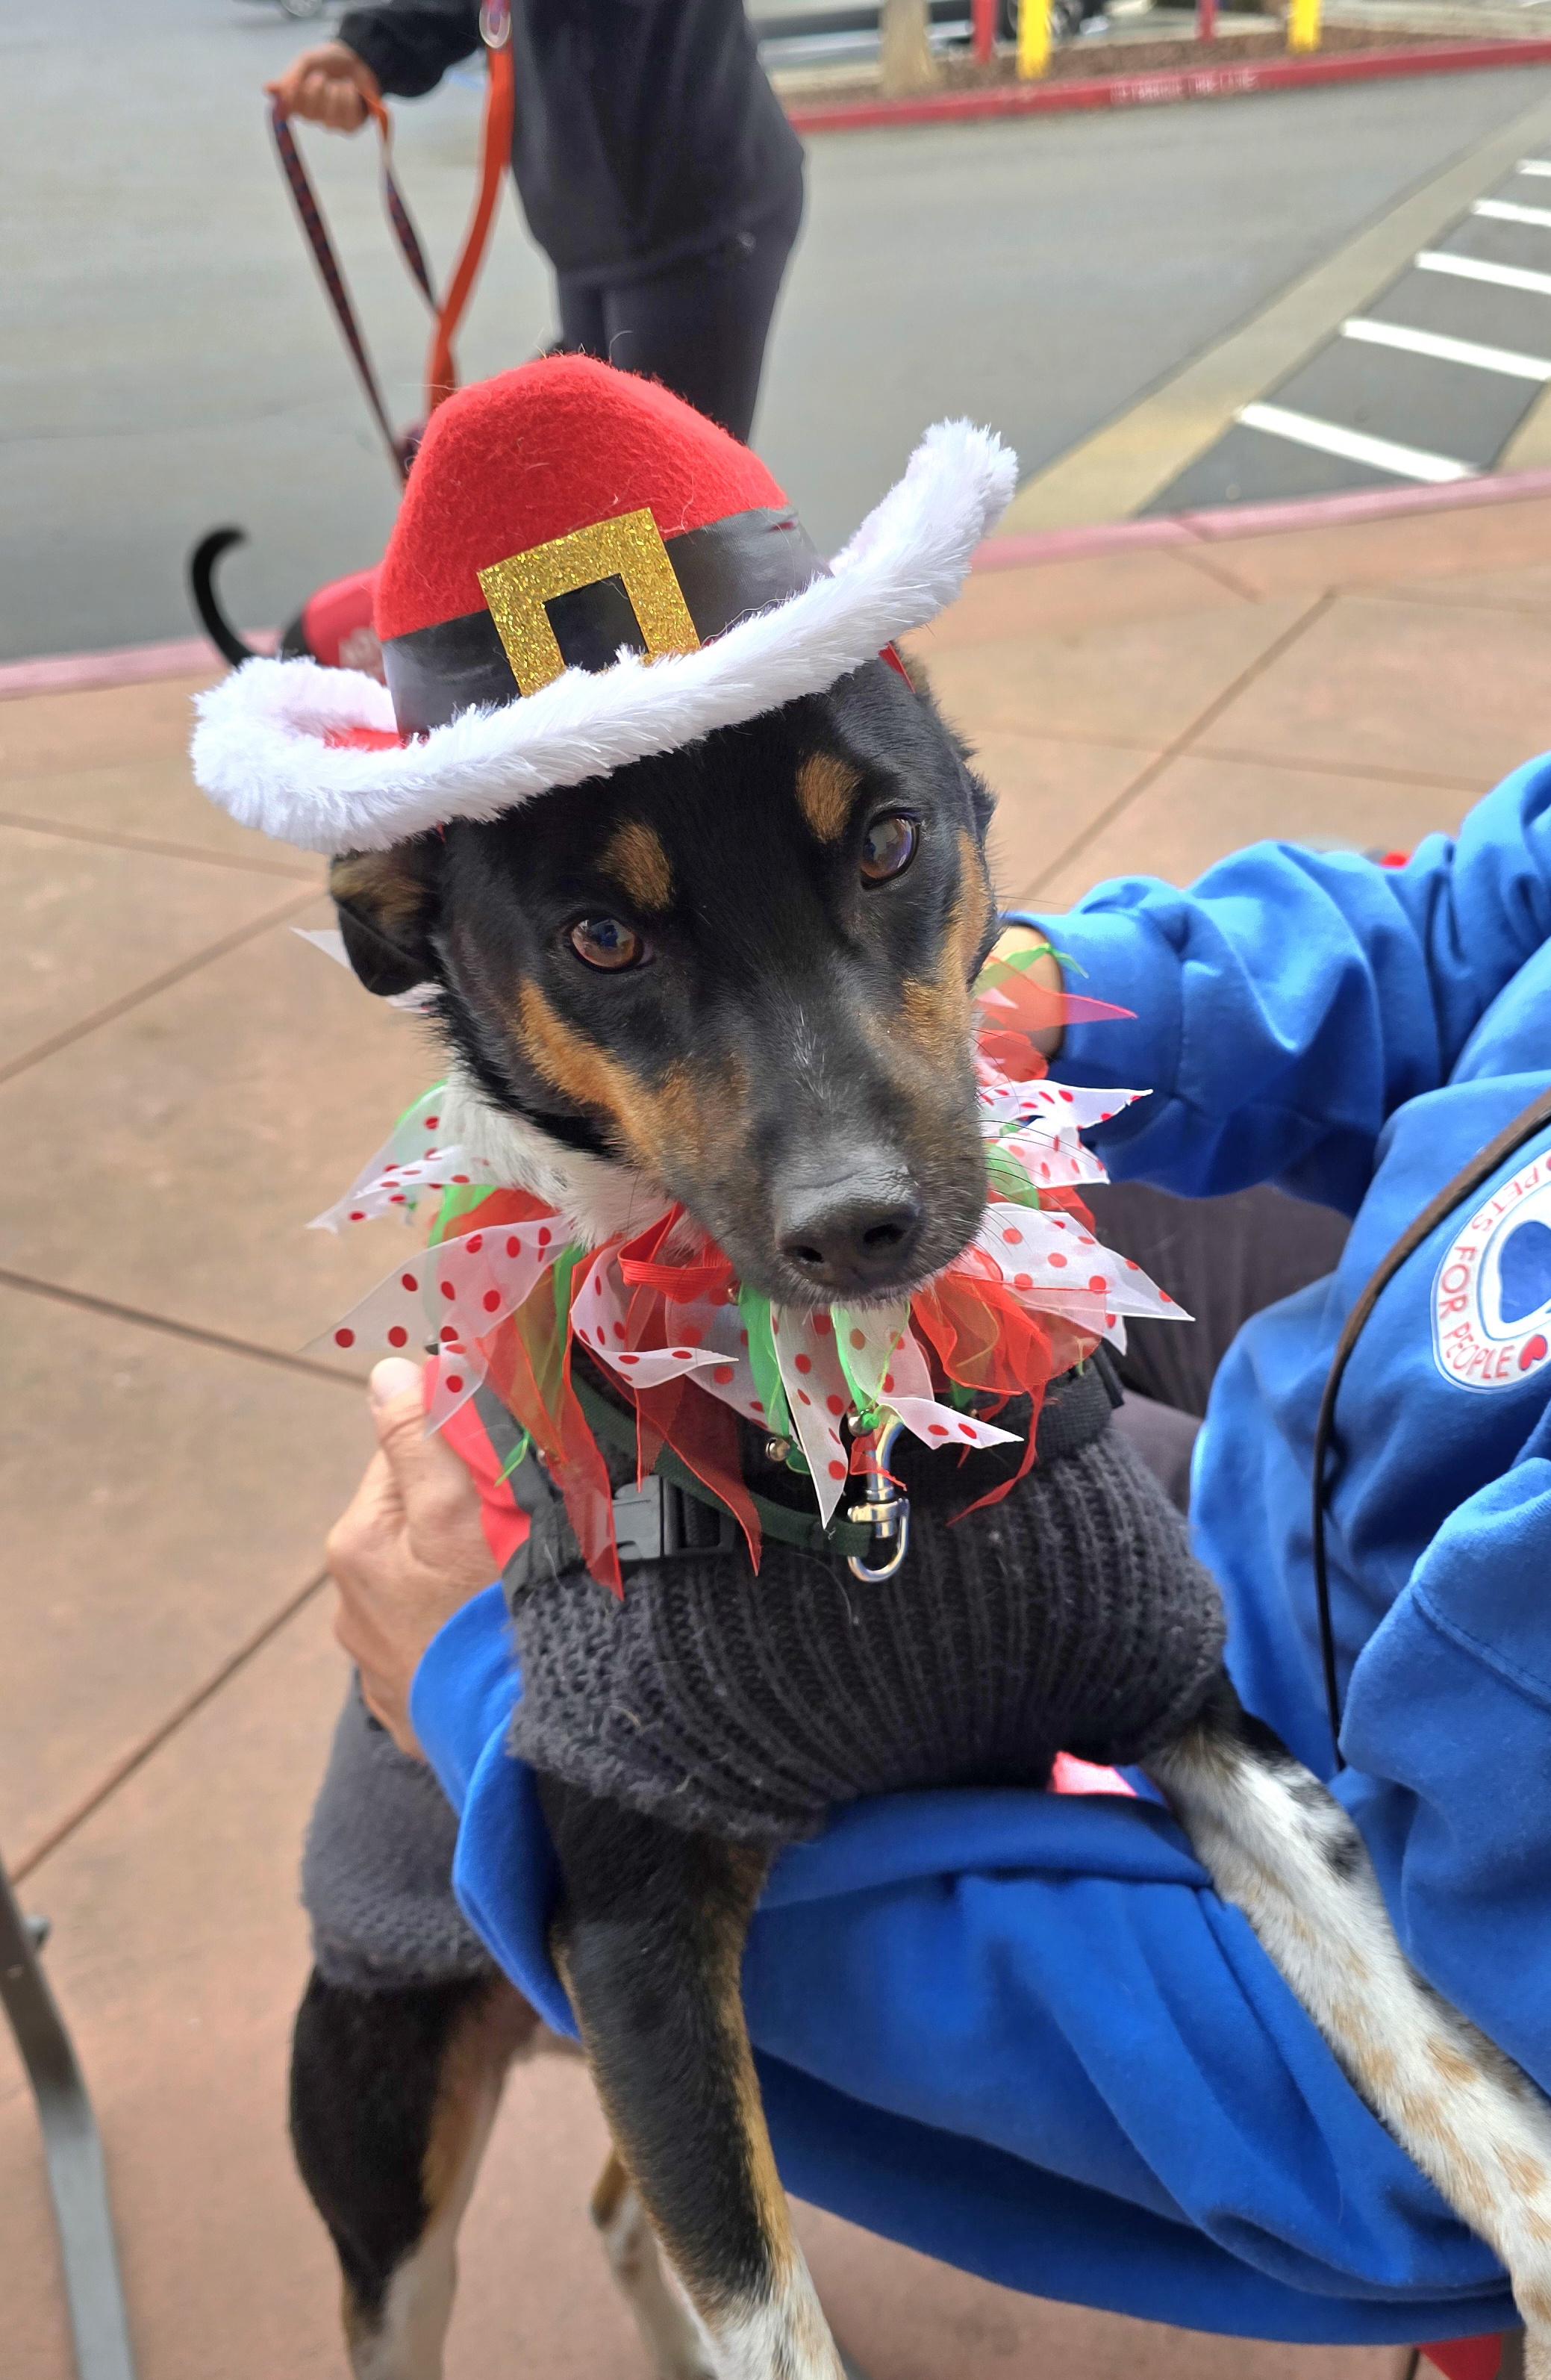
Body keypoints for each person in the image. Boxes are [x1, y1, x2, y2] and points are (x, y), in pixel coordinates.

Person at [322, 759, 1551, 2347]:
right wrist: (1069, 991)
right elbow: (1482, 920)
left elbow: (1375, 2164)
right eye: (606, 940)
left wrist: (477, 1706)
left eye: (880, 846)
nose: (840, 1159)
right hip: (1379, 1391)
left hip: (1432, 1791)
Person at [268, 0, 805, 445]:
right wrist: (376, 49)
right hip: (589, 229)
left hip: (693, 224)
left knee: (664, 521)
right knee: (556, 485)